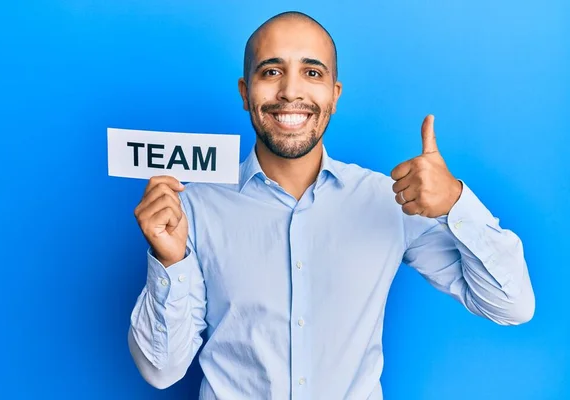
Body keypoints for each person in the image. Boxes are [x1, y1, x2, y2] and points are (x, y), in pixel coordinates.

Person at [127, 11, 535, 400]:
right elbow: (161, 371)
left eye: (312, 72)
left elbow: (510, 305)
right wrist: (169, 259)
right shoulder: (193, 206)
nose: (290, 91)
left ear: (334, 94)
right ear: (245, 93)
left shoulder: (388, 202)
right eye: (271, 71)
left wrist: (456, 204)